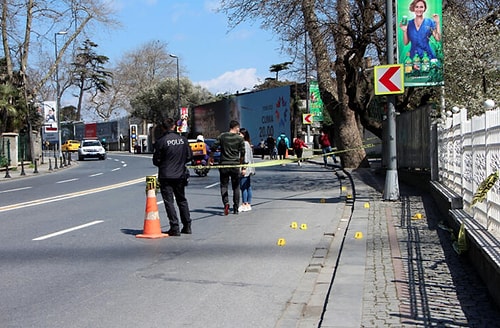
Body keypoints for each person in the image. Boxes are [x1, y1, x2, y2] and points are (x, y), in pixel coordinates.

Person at [152, 117, 193, 236]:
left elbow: (156, 160)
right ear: (174, 126)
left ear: (163, 128)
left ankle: (174, 227)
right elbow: (189, 157)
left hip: (166, 175)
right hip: (180, 174)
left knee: (169, 201)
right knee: (182, 200)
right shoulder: (183, 140)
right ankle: (187, 225)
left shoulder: (161, 141)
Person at [210, 120, 245, 215]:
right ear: (237, 127)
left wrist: (211, 157)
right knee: (236, 187)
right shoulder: (239, 138)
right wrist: (242, 164)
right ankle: (236, 207)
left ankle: (226, 203)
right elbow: (243, 152)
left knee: (224, 185)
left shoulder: (222, 136)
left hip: (224, 164)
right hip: (235, 164)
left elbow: (213, 147)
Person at [238, 128, 255, 212]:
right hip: (249, 168)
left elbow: (245, 157)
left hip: (245, 168)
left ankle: (244, 203)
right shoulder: (247, 143)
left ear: (243, 135)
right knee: (248, 186)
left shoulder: (244, 144)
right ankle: (248, 204)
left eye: (240, 134)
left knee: (243, 186)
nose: (238, 135)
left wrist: (243, 168)